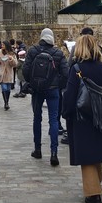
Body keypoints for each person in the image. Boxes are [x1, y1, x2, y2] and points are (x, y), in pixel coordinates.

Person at [62, 34, 102, 203]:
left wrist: (67, 113)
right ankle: (97, 182)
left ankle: (93, 193)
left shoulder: (76, 69)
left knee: (87, 156)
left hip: (82, 118)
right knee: (96, 151)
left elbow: (70, 95)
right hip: (100, 116)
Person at [23, 28, 69, 167]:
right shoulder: (58, 53)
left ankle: (38, 149)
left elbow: (25, 70)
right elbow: (66, 74)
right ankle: (54, 153)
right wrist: (57, 85)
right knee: (54, 119)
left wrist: (32, 82)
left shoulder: (33, 51)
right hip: (53, 90)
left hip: (37, 90)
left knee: (37, 118)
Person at [0, 41, 17, 111]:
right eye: (1, 44)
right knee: (4, 88)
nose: (2, 46)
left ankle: (7, 101)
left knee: (8, 89)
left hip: (9, 73)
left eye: (3, 45)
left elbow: (15, 64)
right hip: (1, 73)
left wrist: (11, 59)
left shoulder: (12, 53)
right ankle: (6, 103)